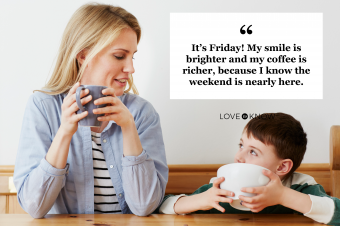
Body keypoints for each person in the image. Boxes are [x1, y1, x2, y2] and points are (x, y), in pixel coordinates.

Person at [13, 3, 168, 218]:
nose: (131, 68)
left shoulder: (142, 113)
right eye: (119, 56)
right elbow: (34, 206)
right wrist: (65, 131)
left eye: (133, 56)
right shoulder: (43, 107)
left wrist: (128, 127)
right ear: (83, 55)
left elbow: (144, 207)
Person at [156, 113, 340, 225]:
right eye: (241, 145)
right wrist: (201, 200)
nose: (238, 156)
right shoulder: (221, 189)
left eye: (253, 151)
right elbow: (160, 205)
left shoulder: (300, 186)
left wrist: (283, 196)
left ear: (282, 166)